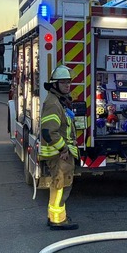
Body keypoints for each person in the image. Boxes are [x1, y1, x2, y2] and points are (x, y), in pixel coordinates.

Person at [39, 65, 79, 230]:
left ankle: (55, 216)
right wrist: (63, 149)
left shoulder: (58, 101)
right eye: (63, 82)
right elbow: (48, 132)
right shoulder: (54, 104)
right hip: (59, 155)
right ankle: (58, 220)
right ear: (55, 84)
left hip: (60, 154)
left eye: (68, 82)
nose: (67, 85)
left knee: (60, 185)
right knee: (61, 186)